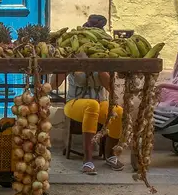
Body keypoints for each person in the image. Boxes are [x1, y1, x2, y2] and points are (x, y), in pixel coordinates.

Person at [51, 14, 125, 175]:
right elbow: (54, 84)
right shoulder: (73, 52)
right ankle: (88, 159)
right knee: (92, 105)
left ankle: (110, 155)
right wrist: (68, 63)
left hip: (100, 101)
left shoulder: (104, 55)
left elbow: (111, 88)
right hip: (74, 103)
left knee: (117, 111)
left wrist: (96, 66)